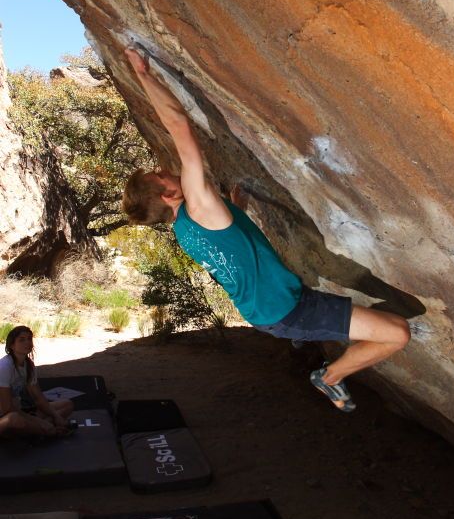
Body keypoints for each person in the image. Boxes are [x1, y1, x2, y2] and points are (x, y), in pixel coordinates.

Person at [122, 47, 410, 412]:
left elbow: (229, 249)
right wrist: (143, 74)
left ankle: (307, 344)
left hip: (271, 312)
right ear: (167, 193)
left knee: (392, 323)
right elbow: (179, 125)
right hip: (290, 310)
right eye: (161, 174)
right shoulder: (197, 203)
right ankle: (330, 377)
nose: (166, 168)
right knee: (397, 333)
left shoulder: (186, 229)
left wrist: (236, 209)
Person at [0, 325, 74, 437]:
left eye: (29, 338)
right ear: (12, 345)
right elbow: (7, 408)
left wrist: (56, 416)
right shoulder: (5, 367)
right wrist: (39, 421)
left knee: (67, 404)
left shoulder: (29, 365)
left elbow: (38, 398)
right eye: (22, 340)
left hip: (20, 411)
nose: (27, 342)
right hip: (5, 417)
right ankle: (48, 431)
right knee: (13, 419)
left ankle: (41, 429)